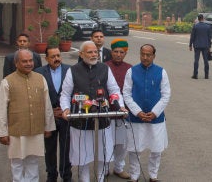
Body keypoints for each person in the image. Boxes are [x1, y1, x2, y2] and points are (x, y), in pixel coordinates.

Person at [60, 41, 124, 182]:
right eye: (90, 52)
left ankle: (100, 179)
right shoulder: (73, 70)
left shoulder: (105, 69)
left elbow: (114, 90)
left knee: (102, 154)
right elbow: (65, 94)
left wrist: (121, 106)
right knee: (82, 157)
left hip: (101, 118)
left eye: (95, 51)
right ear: (81, 54)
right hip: (80, 121)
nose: (94, 54)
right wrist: (65, 109)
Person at [0, 49, 55, 182]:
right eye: (24, 61)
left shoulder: (40, 79)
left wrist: (48, 126)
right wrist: (2, 133)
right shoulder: (7, 81)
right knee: (17, 162)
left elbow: (47, 105)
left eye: (30, 60)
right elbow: (1, 109)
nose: (28, 64)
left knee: (32, 160)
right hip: (16, 129)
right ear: (16, 63)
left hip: (36, 128)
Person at [123, 44, 171, 182]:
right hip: (135, 118)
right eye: (142, 54)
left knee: (156, 149)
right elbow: (126, 94)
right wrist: (137, 112)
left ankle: (153, 176)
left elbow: (166, 95)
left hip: (155, 119)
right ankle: (134, 176)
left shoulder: (161, 72)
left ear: (154, 56)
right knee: (134, 149)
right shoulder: (131, 71)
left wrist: (155, 112)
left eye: (148, 55)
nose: (145, 57)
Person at [34, 47, 72, 182]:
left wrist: (66, 109)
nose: (56, 59)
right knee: (49, 149)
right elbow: (36, 97)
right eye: (53, 56)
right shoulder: (38, 73)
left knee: (66, 148)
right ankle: (51, 175)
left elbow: (74, 93)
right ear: (46, 59)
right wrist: (50, 111)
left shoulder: (70, 70)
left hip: (65, 116)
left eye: (58, 55)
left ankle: (66, 175)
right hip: (48, 117)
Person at [104, 39, 133, 180]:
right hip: (106, 112)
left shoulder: (130, 68)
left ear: (125, 54)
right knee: (106, 141)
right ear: (111, 52)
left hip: (123, 111)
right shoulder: (103, 67)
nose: (118, 54)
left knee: (122, 143)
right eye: (115, 52)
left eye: (121, 52)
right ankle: (103, 168)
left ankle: (118, 168)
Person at [189, 14, 212, 79]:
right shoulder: (207, 27)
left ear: (198, 19)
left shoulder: (195, 26)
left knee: (196, 60)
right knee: (206, 60)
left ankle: (195, 75)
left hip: (197, 45)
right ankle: (206, 75)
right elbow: (209, 37)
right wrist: (209, 46)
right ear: (203, 19)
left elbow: (192, 37)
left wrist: (190, 45)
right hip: (205, 45)